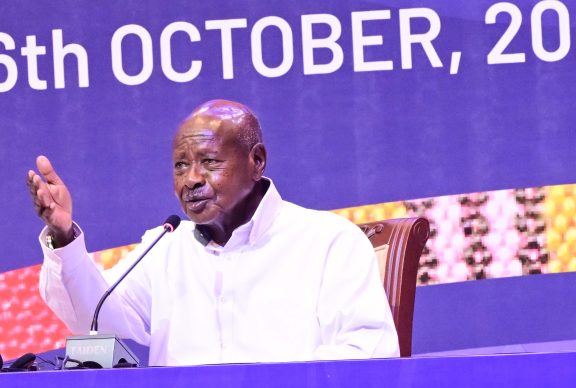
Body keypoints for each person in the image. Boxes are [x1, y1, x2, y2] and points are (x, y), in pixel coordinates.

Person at [26, 99, 400, 365]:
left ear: (257, 161)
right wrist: (63, 236)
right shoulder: (166, 248)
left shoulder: (328, 242)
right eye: (180, 165)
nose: (191, 180)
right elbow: (95, 319)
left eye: (209, 162)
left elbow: (369, 354)